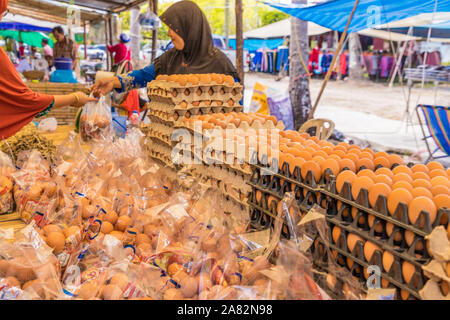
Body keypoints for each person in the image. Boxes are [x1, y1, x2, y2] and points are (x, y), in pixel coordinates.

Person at [90, 0, 238, 97]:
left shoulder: (221, 64)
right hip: (172, 138)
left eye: (174, 28)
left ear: (189, 29)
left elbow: (236, 106)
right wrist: (113, 81)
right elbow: (142, 76)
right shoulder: (171, 58)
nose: (169, 33)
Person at [0, 0, 96, 139]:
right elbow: (27, 101)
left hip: (68, 72)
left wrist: (74, 72)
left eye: (57, 35)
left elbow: (75, 58)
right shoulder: (55, 46)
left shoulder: (71, 43)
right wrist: (74, 97)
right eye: (4, 11)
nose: (56, 38)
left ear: (62, 33)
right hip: (58, 72)